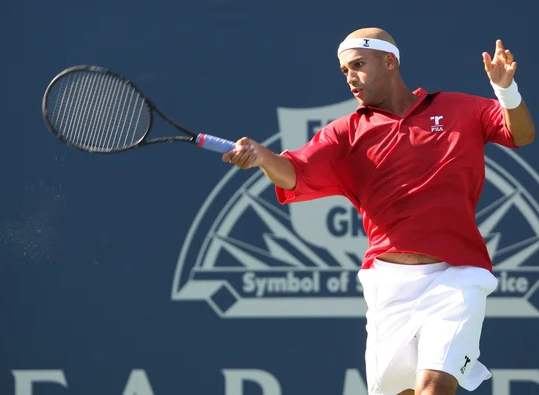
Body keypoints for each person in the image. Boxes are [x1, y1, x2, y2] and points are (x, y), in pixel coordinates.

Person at [222, 27, 535, 395]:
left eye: (358, 64)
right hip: (389, 286)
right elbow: (294, 173)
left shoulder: (460, 108)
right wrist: (263, 157)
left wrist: (506, 92)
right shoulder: (344, 134)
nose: (350, 77)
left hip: (459, 276)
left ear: (389, 61)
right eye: (343, 71)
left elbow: (521, 134)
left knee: (435, 385)